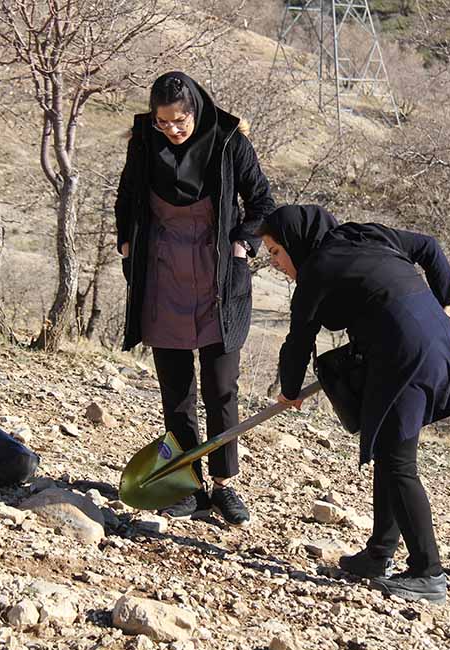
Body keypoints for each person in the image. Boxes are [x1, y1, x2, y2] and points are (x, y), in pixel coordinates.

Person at [261, 205, 450, 604]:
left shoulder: (316, 273)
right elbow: (428, 246)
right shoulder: (364, 234)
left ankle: (428, 573)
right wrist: (449, 299)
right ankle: (378, 555)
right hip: (434, 342)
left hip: (404, 354)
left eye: (275, 251)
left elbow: (298, 342)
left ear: (294, 243)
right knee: (389, 448)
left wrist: (289, 390)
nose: (273, 262)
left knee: (398, 464)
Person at [115, 72, 275, 527]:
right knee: (176, 390)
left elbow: (261, 200)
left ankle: (225, 485)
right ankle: (187, 483)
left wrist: (244, 243)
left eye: (179, 120)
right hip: (162, 277)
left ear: (196, 109)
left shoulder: (228, 139)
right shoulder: (144, 141)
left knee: (222, 387)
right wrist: (126, 242)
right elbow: (127, 197)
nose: (172, 130)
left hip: (218, 280)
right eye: (163, 122)